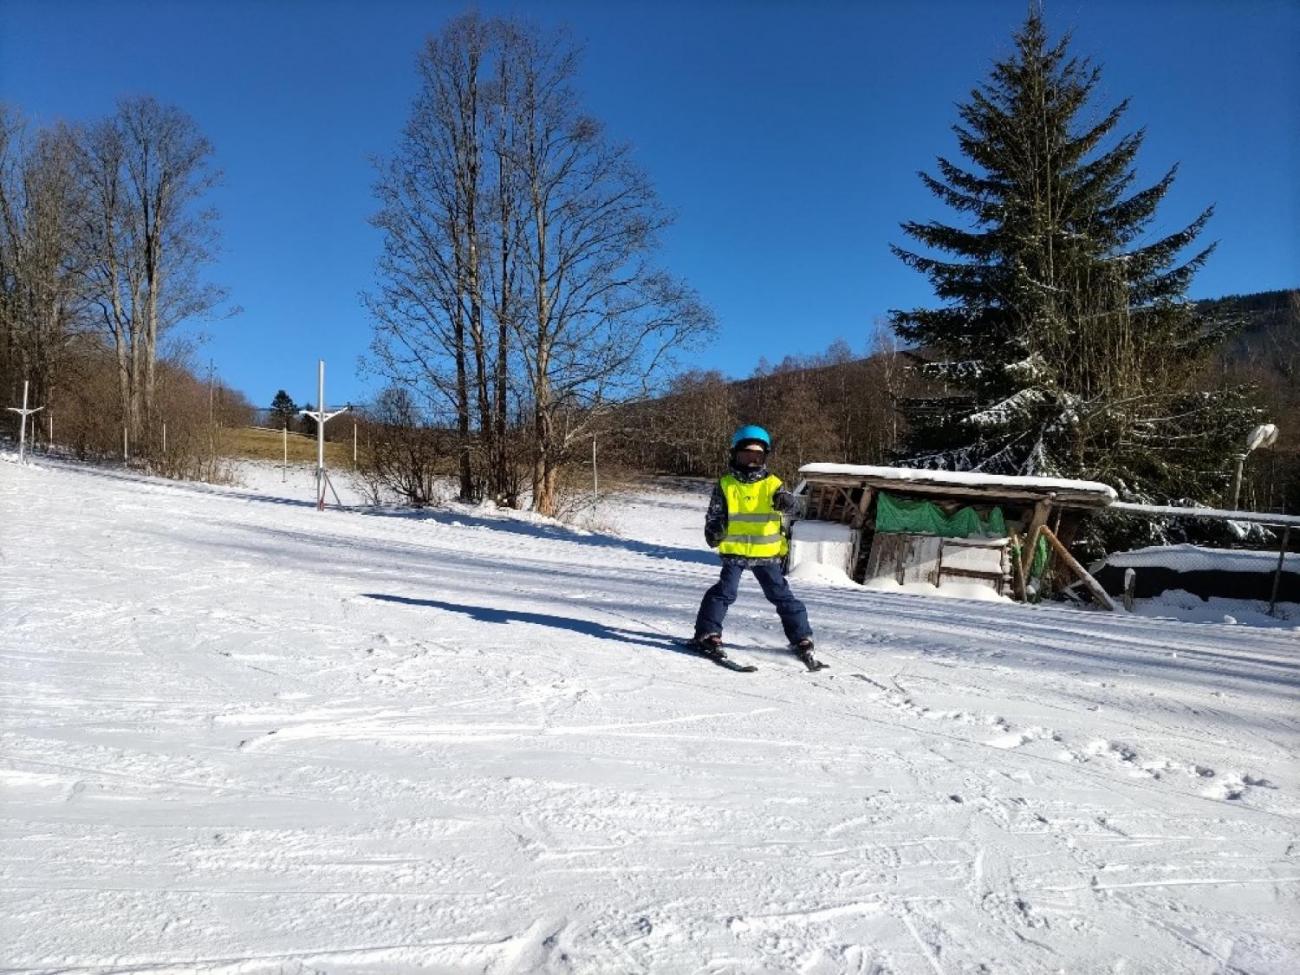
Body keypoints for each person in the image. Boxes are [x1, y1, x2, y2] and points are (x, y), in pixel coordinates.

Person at [690, 425, 817, 665]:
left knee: (781, 596)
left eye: (757, 456)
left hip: (766, 554)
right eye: (746, 455)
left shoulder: (773, 485)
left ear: (765, 458)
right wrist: (714, 531)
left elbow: (798, 509)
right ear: (735, 455)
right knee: (723, 593)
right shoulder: (726, 485)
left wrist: (788, 502)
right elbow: (714, 517)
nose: (751, 461)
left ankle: (801, 638)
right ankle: (707, 635)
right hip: (735, 552)